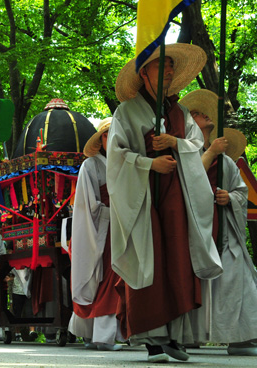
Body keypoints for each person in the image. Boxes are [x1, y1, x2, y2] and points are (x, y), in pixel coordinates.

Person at [107, 43, 223, 363]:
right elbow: (116, 159)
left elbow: (196, 145)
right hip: (141, 199)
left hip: (174, 195)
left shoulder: (179, 112)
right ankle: (152, 338)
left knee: (176, 261)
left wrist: (173, 143)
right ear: (144, 73)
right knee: (149, 259)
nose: (169, 71)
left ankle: (175, 334)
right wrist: (149, 164)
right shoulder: (127, 112)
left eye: (172, 65)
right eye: (163, 66)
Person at [181, 89, 257, 356]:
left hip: (225, 232)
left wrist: (230, 198)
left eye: (204, 113)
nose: (204, 115)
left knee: (239, 278)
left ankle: (241, 336)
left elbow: (240, 191)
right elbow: (189, 181)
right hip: (196, 230)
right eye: (197, 114)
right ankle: (191, 335)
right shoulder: (184, 152)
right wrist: (211, 151)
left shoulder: (226, 161)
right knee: (194, 284)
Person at [68, 118, 123, 351]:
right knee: (103, 277)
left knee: (113, 278)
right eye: (106, 134)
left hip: (121, 228)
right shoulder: (91, 166)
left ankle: (96, 334)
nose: (111, 138)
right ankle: (102, 336)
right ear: (100, 140)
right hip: (100, 229)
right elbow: (86, 204)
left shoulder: (125, 163)